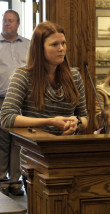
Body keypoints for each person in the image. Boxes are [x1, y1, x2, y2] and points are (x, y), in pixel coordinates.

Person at [0, 21, 88, 194]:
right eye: (54, 44)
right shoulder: (23, 75)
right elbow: (6, 118)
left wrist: (75, 123)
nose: (61, 48)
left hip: (67, 156)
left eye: (63, 43)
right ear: (39, 48)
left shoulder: (75, 76)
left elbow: (84, 117)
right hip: (35, 160)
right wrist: (50, 121)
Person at [0, 10, 30, 196]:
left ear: (18, 24)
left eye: (10, 21)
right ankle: (2, 180)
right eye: (4, 21)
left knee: (18, 142)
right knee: (3, 141)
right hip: (2, 99)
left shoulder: (28, 45)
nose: (7, 24)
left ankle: (15, 181)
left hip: (23, 100)